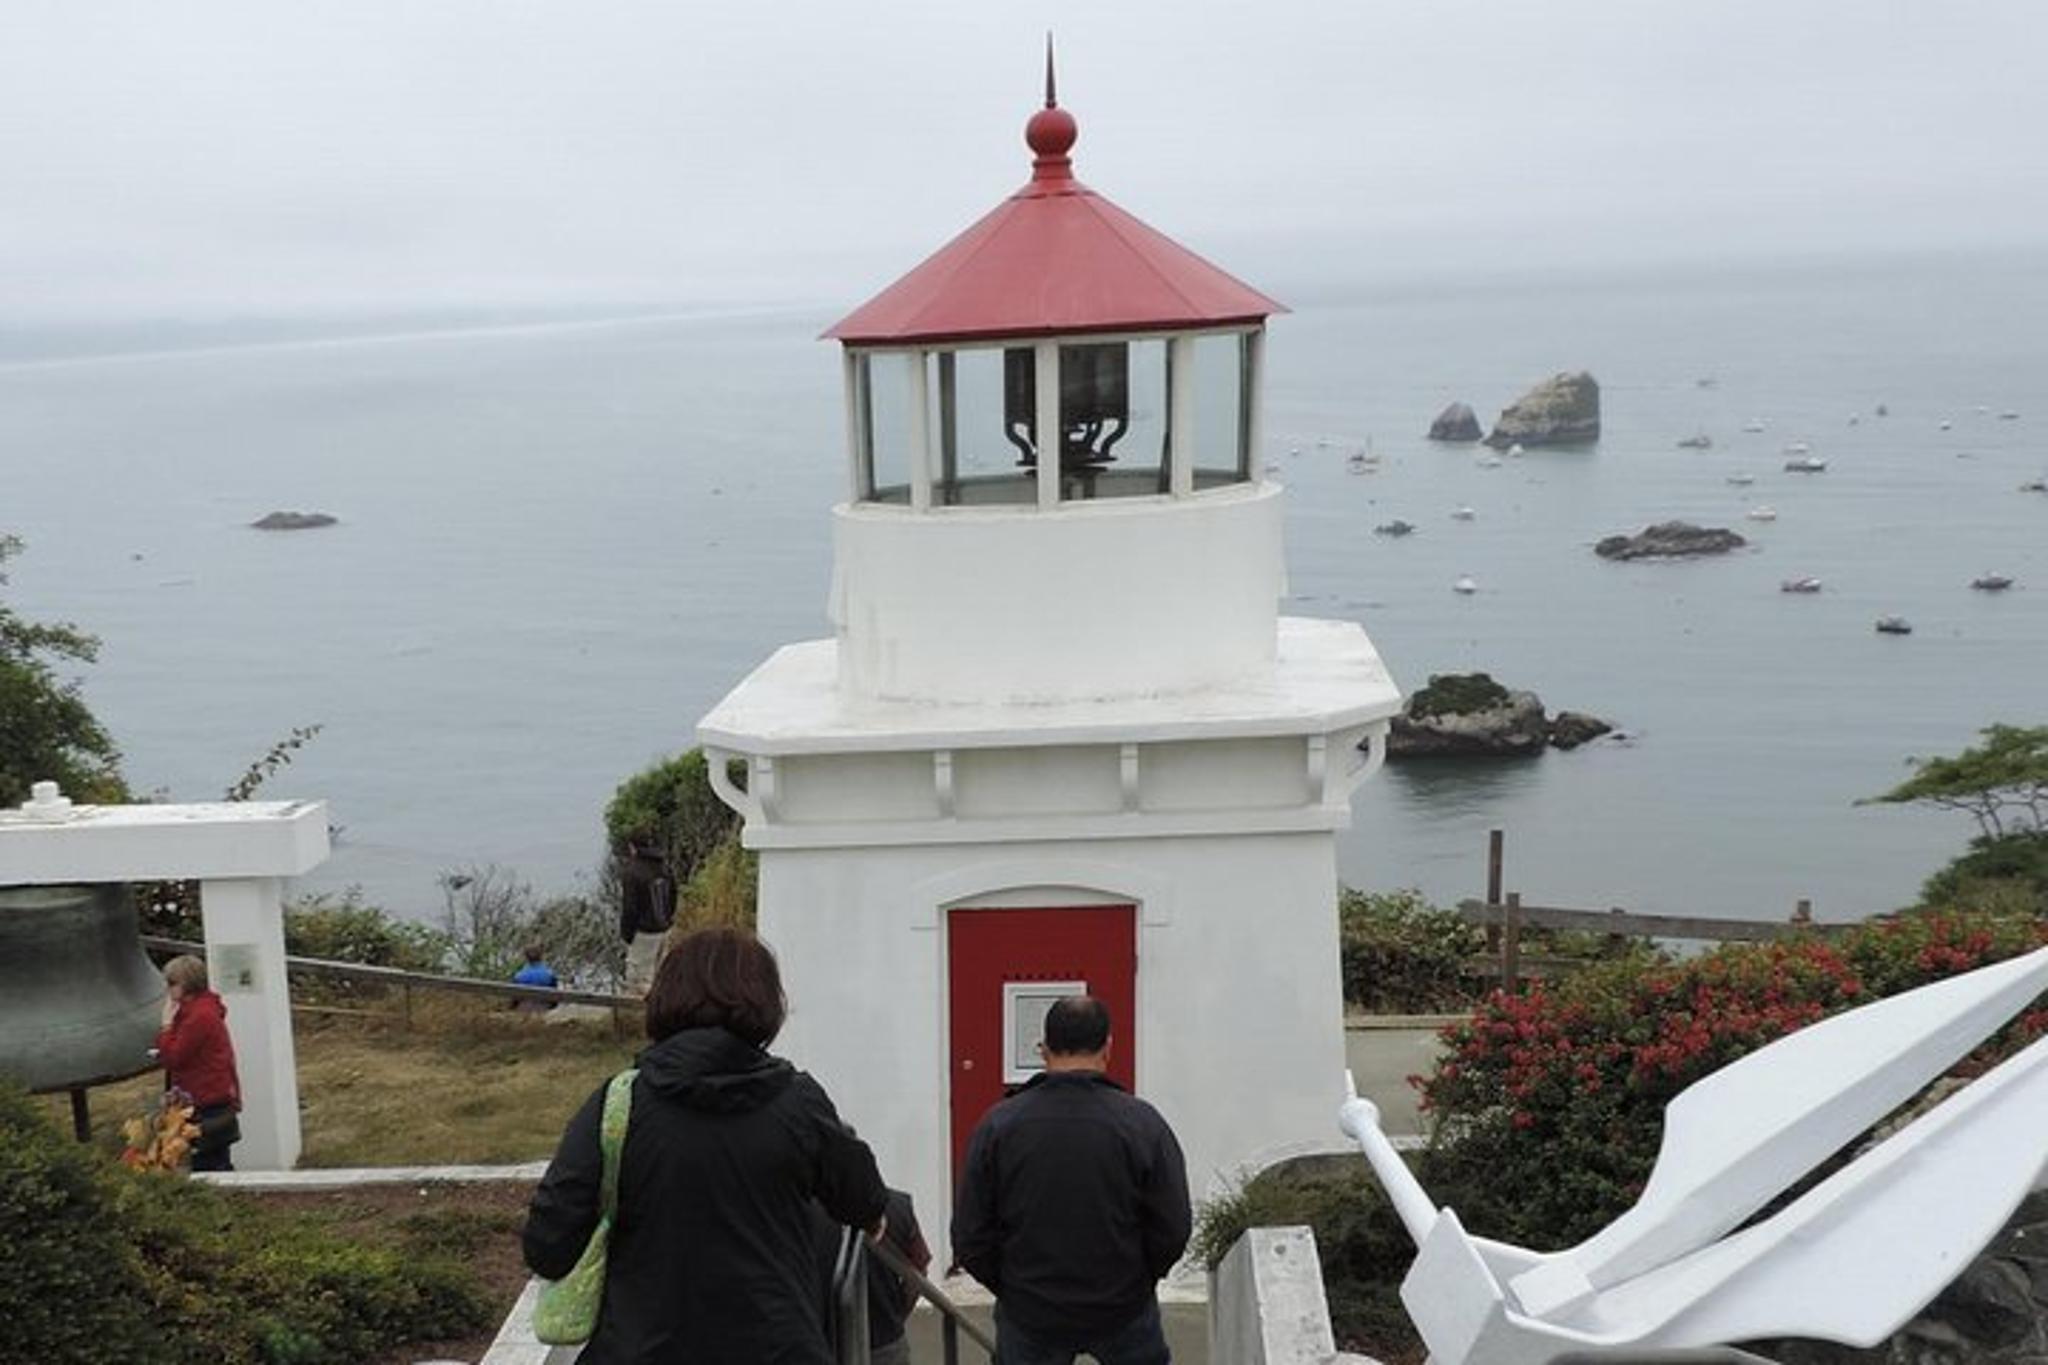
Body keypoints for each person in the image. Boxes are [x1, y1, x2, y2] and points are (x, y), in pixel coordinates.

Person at [524, 927, 889, 1363]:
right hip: (777, 1349)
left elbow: (548, 1245)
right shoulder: (799, 1102)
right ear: (767, 1002)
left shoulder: (619, 1104)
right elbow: (864, 1198)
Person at [952, 996, 1191, 1365]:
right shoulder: (1143, 1124)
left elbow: (970, 1233)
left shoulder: (998, 1126)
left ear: (1043, 1049)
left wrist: (1012, 1287)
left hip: (1030, 1312)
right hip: (1123, 1308)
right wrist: (1139, 1282)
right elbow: (1172, 1226)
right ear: (1108, 1047)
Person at [812, 1186, 931, 1365]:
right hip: (886, 1340)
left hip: (826, 1341)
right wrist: (898, 1313)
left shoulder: (805, 1212)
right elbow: (919, 1268)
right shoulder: (899, 1204)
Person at [155, 955, 242, 1172]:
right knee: (212, 1156)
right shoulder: (199, 1010)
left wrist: (165, 1026)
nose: (169, 990)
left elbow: (175, 1057)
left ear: (188, 984)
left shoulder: (198, 1016)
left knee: (210, 1162)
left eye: (173, 984)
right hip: (208, 1092)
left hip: (206, 1096)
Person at [511, 944, 559, 1013]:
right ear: (541, 957)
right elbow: (554, 1000)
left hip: (522, 1008)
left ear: (526, 958)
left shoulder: (519, 976)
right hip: (543, 1008)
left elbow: (514, 1000)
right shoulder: (550, 975)